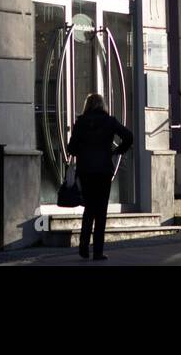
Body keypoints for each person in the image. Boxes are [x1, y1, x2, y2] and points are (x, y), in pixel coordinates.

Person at [66, 93, 133, 260]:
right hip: (103, 170)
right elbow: (129, 137)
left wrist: (83, 149)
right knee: (101, 210)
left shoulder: (80, 122)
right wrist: (117, 151)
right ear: (103, 105)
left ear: (87, 105)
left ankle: (83, 243)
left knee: (89, 208)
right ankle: (97, 251)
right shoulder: (110, 121)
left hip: (86, 170)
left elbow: (71, 148)